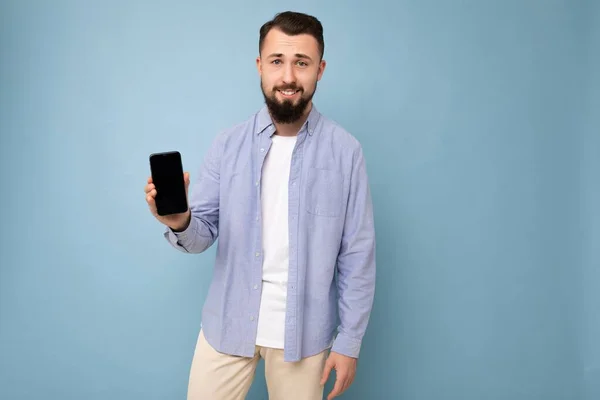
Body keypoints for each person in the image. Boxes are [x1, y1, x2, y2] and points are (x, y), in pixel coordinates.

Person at [144, 11, 376, 400]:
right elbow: (201, 235)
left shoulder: (346, 152)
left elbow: (357, 254)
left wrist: (349, 341)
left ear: (319, 69)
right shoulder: (227, 145)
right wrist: (180, 220)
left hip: (305, 337)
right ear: (259, 66)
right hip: (227, 326)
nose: (288, 76)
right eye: (277, 61)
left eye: (301, 63)